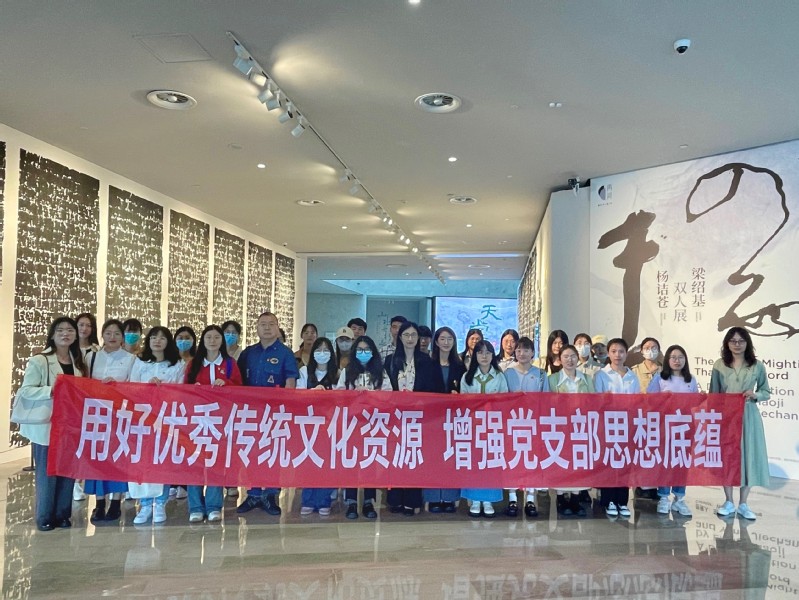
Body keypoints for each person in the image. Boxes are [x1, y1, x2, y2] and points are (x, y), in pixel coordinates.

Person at [18, 317, 88, 531]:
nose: (65, 334)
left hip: (70, 425)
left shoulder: (78, 361)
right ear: (52, 334)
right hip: (47, 425)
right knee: (47, 473)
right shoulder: (40, 360)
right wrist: (52, 390)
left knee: (67, 471)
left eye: (70, 330)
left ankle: (62, 514)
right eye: (60, 330)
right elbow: (26, 390)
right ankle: (45, 516)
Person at [236, 311, 298, 516]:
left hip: (275, 413)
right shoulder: (248, 353)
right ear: (256, 328)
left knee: (272, 452)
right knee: (252, 452)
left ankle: (271, 494)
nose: (267, 328)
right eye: (263, 324)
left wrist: (284, 410)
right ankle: (253, 493)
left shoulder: (285, 353)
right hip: (250, 413)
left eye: (271, 324)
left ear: (278, 328)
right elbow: (237, 382)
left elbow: (290, 383)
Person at [385, 322, 445, 515]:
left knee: (414, 458)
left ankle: (412, 500)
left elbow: (437, 390)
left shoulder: (428, 361)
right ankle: (395, 499)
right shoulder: (390, 361)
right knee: (396, 457)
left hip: (420, 419)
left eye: (413, 335)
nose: (410, 339)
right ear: (400, 337)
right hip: (395, 418)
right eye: (406, 335)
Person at [711, 327, 770, 521]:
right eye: (733, 341)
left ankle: (744, 503)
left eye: (741, 341)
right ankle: (728, 501)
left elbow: (766, 391)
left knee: (748, 457)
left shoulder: (757, 366)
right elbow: (714, 394)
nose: (737, 344)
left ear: (747, 343)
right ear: (727, 344)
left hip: (749, 416)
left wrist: (755, 394)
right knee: (727, 458)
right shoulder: (719, 365)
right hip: (727, 417)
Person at [185, 324, 242, 523]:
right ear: (203, 340)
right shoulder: (194, 364)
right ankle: (195, 507)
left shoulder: (229, 364)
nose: (212, 341)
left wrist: (226, 384)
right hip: (197, 421)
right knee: (195, 463)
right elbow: (183, 391)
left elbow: (240, 389)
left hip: (220, 421)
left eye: (216, 337)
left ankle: (213, 506)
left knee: (215, 463)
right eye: (208, 337)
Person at [130, 327, 186, 524]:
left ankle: (160, 503)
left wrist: (165, 389)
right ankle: (145, 504)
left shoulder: (177, 364)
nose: (157, 341)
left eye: (162, 338)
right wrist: (146, 386)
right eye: (154, 337)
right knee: (143, 462)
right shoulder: (139, 362)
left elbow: (182, 391)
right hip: (143, 420)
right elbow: (131, 387)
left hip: (166, 419)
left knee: (163, 461)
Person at [84, 319, 137, 523]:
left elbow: (134, 387)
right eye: (108, 333)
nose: (112, 337)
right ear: (102, 335)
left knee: (117, 456)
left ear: (123, 337)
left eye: (116, 333)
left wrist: (117, 386)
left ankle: (115, 501)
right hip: (96, 414)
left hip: (119, 414)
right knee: (97, 457)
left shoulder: (131, 359)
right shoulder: (91, 356)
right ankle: (99, 502)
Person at [334, 335, 392, 519]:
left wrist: (373, 396)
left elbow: (389, 395)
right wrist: (354, 395)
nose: (363, 353)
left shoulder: (380, 372)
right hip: (352, 423)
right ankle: (351, 501)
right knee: (351, 462)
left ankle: (368, 501)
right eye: (360, 350)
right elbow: (339, 394)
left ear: (373, 352)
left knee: (369, 461)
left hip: (372, 423)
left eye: (367, 349)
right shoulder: (347, 371)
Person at [647, 344, 698, 517]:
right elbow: (649, 400)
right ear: (668, 360)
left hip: (685, 427)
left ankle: (679, 498)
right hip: (665, 427)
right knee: (665, 462)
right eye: (673, 357)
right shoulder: (660, 378)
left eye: (681, 357)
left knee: (681, 463)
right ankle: (663, 497)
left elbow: (694, 402)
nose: (677, 361)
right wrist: (662, 399)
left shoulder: (690, 379)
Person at [460, 340, 508, 518]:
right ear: (475, 355)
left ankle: (488, 501)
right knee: (474, 463)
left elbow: (505, 401)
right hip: (473, 427)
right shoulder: (467, 377)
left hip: (493, 427)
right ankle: (475, 500)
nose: (484, 356)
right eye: (480, 352)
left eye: (488, 352)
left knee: (491, 463)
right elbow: (462, 402)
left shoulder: (499, 376)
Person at [593, 337, 639, 518]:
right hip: (607, 425)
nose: (617, 355)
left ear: (626, 354)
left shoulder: (632, 376)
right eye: (613, 351)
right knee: (609, 463)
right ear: (608, 353)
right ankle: (609, 500)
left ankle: (622, 501)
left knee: (625, 463)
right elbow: (595, 401)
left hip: (627, 426)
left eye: (621, 351)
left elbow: (636, 401)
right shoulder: (601, 375)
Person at [504, 336, 548, 518]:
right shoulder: (507, 373)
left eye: (526, 350)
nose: (522, 353)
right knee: (513, 459)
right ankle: (512, 497)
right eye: (519, 350)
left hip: (533, 423)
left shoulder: (541, 374)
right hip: (512, 422)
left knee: (532, 460)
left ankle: (530, 498)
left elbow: (546, 399)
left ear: (532, 353)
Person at [548, 344, 594, 517]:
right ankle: (561, 498)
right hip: (560, 427)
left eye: (573, 356)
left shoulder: (587, 378)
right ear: (559, 359)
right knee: (561, 462)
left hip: (581, 427)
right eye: (566, 356)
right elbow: (547, 403)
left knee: (578, 463)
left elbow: (594, 402)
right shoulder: (552, 379)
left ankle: (575, 498)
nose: (570, 360)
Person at [425, 326, 465, 513]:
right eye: (443, 338)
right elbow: (421, 389)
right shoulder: (427, 364)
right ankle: (433, 498)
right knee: (433, 458)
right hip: (432, 419)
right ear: (436, 341)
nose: (446, 342)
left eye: (450, 339)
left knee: (451, 457)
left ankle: (449, 498)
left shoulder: (460, 366)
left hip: (453, 419)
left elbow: (466, 389)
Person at [296, 337, 338, 516]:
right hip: (308, 424)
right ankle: (308, 500)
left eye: (326, 350)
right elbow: (297, 394)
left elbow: (343, 396)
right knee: (309, 462)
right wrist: (312, 393)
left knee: (326, 462)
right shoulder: (304, 371)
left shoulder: (337, 373)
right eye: (318, 350)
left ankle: (323, 500)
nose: (322, 354)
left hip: (330, 425)